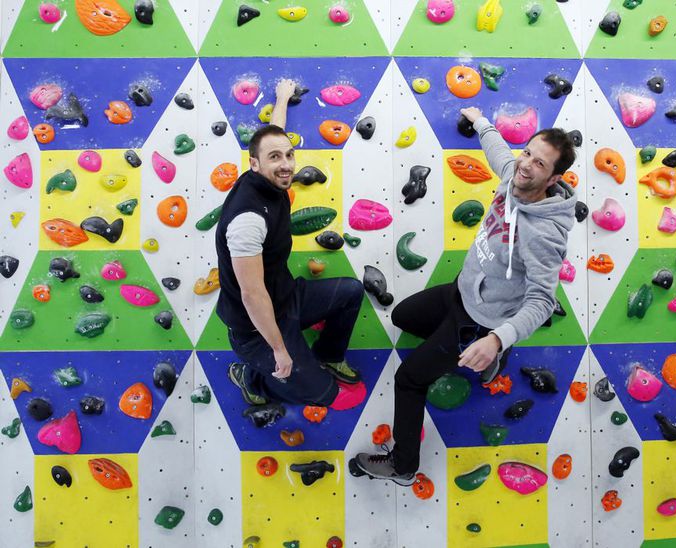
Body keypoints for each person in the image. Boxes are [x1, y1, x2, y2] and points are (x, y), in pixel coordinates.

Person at [352, 107, 578, 484]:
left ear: (554, 178)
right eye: (527, 153)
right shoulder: (515, 178)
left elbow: (542, 302)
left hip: (479, 322)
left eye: (539, 163)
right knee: (402, 317)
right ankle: (487, 357)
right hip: (460, 292)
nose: (526, 165)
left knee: (409, 379)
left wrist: (496, 338)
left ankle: (403, 465)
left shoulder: (544, 234)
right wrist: (481, 122)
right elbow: (501, 156)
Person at [215, 79, 367, 415]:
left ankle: (328, 355)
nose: (286, 164)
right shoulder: (248, 220)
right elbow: (252, 296)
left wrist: (282, 98)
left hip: (286, 297)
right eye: (275, 158)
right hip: (256, 330)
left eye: (289, 155)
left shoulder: (266, 176)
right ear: (255, 163)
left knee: (351, 292)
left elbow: (272, 133)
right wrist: (279, 349)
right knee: (327, 396)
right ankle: (251, 380)